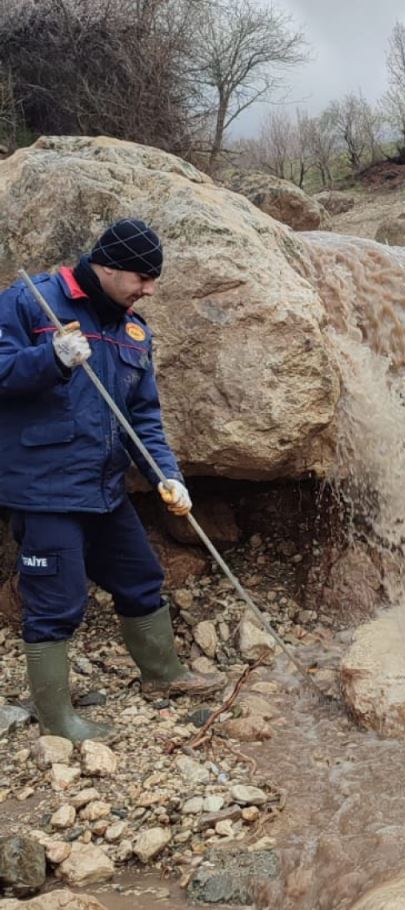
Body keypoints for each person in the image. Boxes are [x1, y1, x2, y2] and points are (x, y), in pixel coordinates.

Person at [0, 218, 225, 742]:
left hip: (104, 487)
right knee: (56, 603)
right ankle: (58, 721)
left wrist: (167, 476)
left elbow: (142, 416)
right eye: (142, 278)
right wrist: (49, 359)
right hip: (45, 488)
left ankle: (164, 675)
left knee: (141, 577)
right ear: (108, 265)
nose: (148, 289)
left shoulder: (133, 330)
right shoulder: (32, 302)